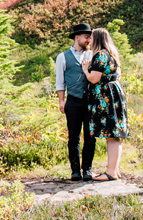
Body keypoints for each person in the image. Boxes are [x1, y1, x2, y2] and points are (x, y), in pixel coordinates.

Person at [83, 27, 129, 181]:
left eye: (91, 37)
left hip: (106, 97)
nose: (89, 40)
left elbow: (94, 78)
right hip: (115, 94)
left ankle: (110, 172)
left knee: (111, 134)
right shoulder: (112, 55)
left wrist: (85, 69)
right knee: (115, 135)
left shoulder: (101, 55)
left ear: (97, 39)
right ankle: (114, 170)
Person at [55, 23, 95, 182]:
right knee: (73, 137)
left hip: (90, 101)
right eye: (86, 37)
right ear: (77, 37)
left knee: (90, 136)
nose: (88, 40)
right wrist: (61, 101)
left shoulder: (92, 54)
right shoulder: (62, 57)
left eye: (89, 37)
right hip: (73, 101)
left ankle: (87, 169)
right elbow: (60, 81)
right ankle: (75, 170)